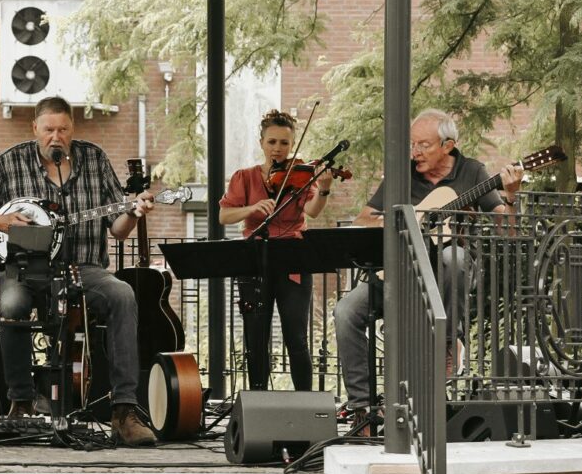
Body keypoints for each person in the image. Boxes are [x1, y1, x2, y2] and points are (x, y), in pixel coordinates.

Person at [0, 96, 158, 447]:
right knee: (10, 301)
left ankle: (124, 410)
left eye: (63, 129)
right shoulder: (11, 162)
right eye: (48, 130)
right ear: (35, 129)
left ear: (73, 129)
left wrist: (134, 212)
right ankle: (21, 403)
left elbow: (117, 229)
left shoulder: (95, 159)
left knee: (123, 294)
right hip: (24, 268)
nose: (55, 137)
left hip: (83, 267)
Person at [334, 108, 524, 427]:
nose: (415, 152)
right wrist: (406, 220)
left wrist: (512, 195)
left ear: (448, 146)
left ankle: (448, 342)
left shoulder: (472, 172)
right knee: (346, 311)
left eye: (423, 145)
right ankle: (362, 407)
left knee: (454, 258)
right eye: (412, 144)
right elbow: (363, 219)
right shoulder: (403, 173)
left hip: (450, 270)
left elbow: (508, 229)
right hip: (402, 270)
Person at [219, 109, 333, 392]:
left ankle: (305, 403)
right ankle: (259, 402)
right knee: (256, 338)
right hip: (254, 259)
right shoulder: (244, 177)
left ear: (292, 145)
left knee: (296, 337)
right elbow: (224, 216)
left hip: (293, 259)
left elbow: (312, 211)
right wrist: (252, 208)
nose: (278, 149)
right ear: (261, 143)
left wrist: (324, 189)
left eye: (284, 143)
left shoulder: (301, 176)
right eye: (272, 142)